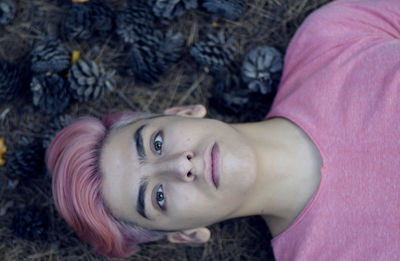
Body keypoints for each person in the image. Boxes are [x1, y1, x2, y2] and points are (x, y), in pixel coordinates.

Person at [46, 0, 400, 259]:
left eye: (155, 143)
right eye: (158, 197)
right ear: (186, 235)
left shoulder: (331, 38)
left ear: (183, 111)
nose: (178, 166)